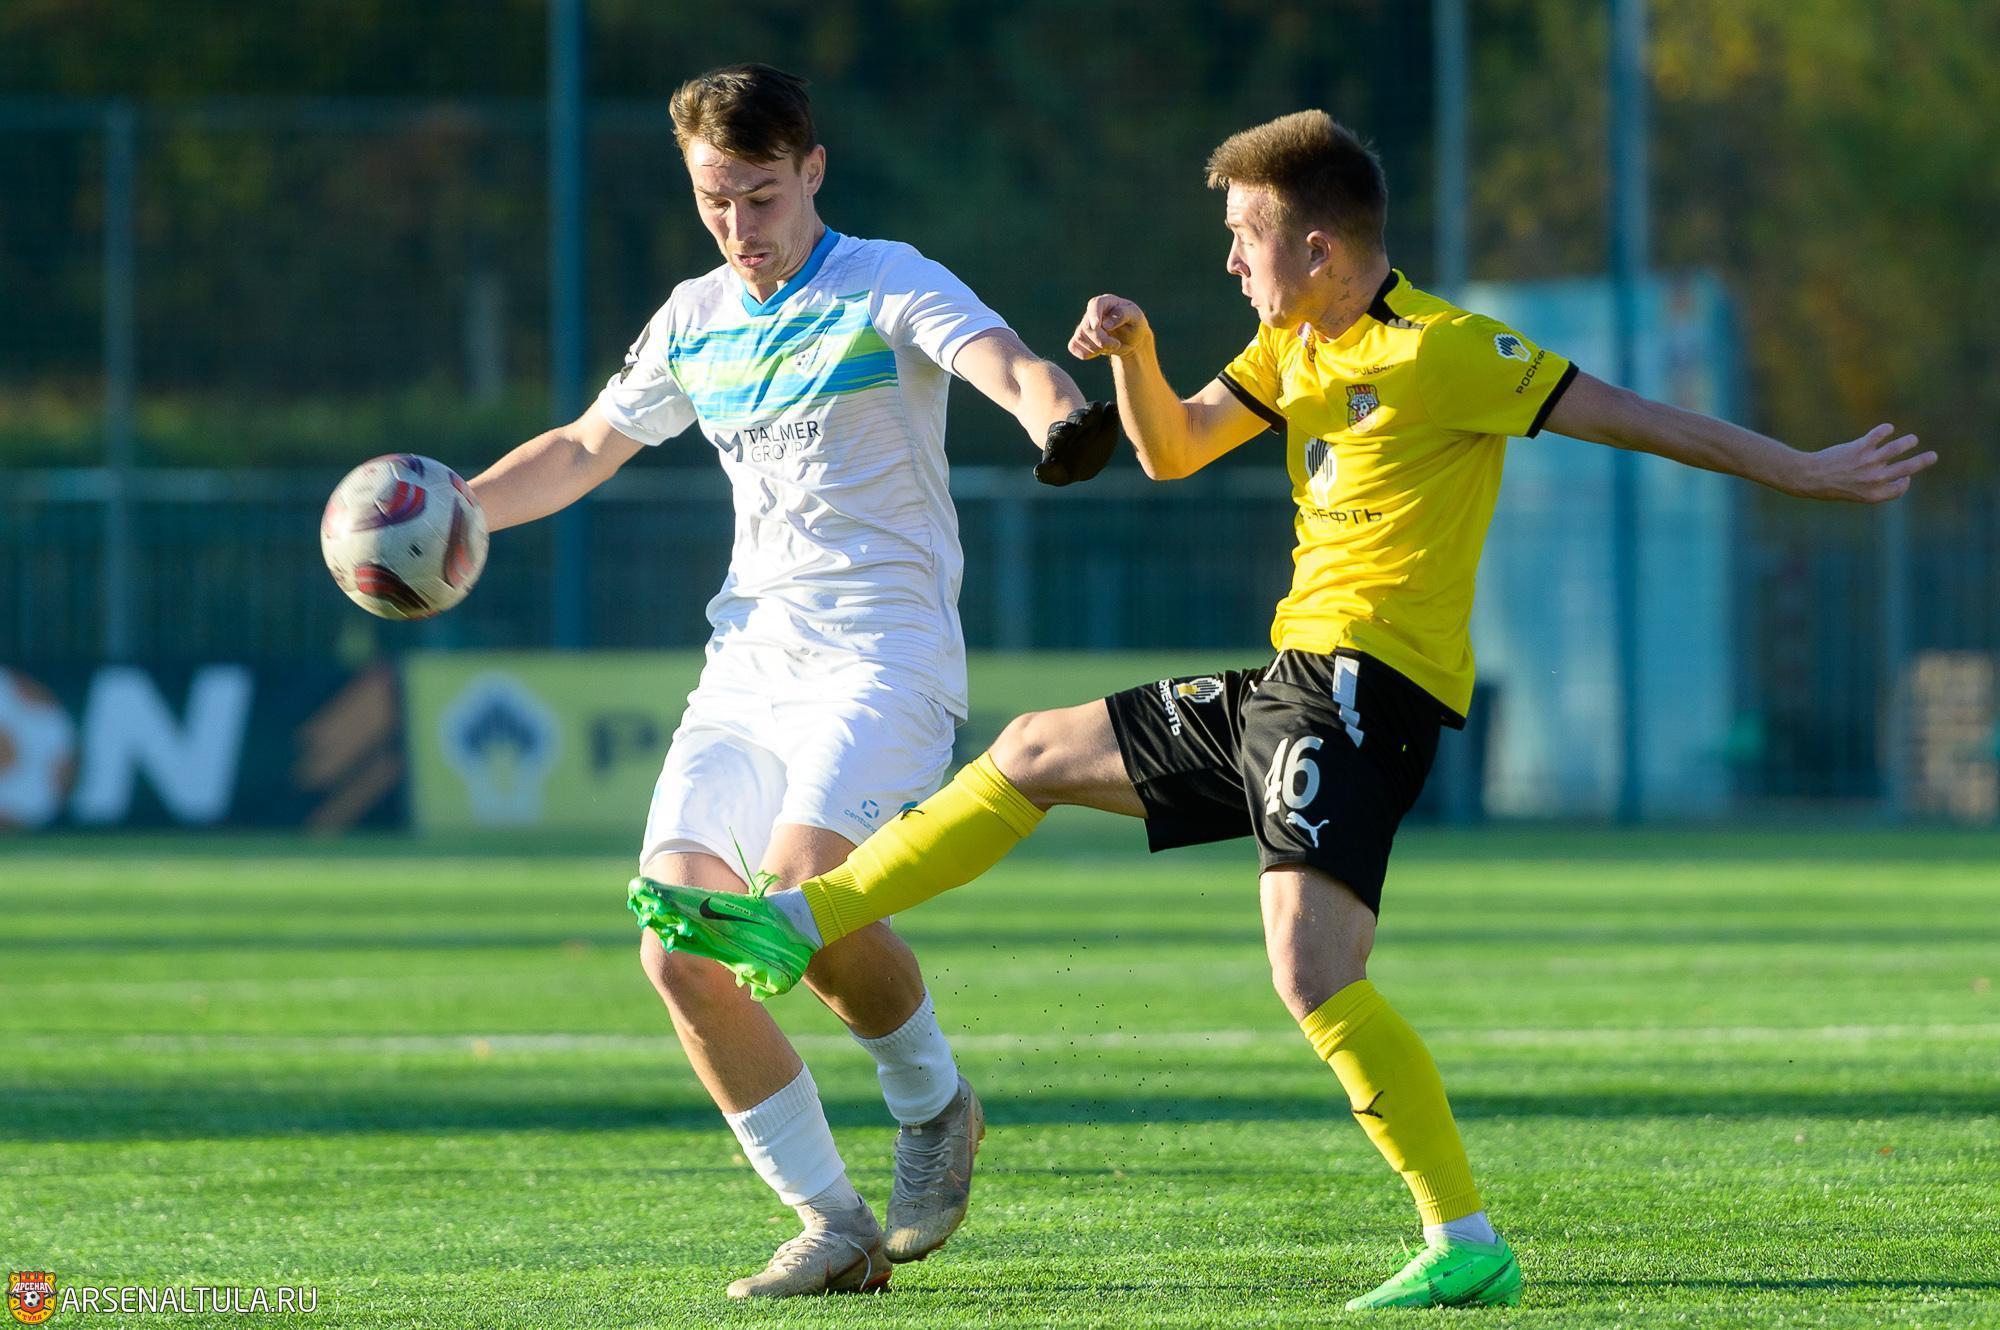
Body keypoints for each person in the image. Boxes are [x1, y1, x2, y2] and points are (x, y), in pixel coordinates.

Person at [628, 110, 1934, 1309]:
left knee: (1312, 973)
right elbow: (1172, 450)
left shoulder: (1447, 349)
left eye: (1245, 236)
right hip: (1291, 682)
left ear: (1317, 246)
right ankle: (799, 918)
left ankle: (1464, 1238)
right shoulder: (1291, 343)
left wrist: (1805, 470)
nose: (1231, 260)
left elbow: (1641, 420)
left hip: (1366, 689)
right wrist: (1136, 357)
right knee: (1033, 750)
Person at [471, 63, 1116, 1299]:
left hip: (884, 652)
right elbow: (584, 445)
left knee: (795, 902)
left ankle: (933, 1104)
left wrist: (1059, 417)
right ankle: (831, 1223)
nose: (738, 225)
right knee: (677, 945)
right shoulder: (692, 316)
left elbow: (1002, 358)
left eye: (760, 196)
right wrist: (462, 507)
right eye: (713, 199)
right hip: (747, 663)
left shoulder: (884, 279)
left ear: (812, 170)